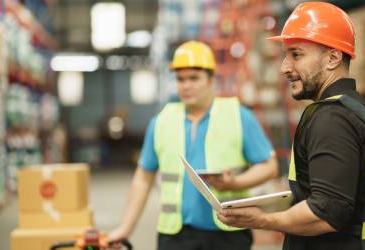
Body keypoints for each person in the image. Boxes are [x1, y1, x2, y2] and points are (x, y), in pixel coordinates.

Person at [217, 2, 365, 250]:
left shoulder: (333, 118)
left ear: (333, 58)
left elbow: (327, 212)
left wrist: (262, 219)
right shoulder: (363, 111)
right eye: (285, 55)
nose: (284, 67)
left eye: (296, 54)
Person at [108, 41, 279, 250]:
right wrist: (126, 228)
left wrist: (235, 183)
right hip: (175, 236)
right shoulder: (161, 121)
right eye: (180, 79)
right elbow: (143, 179)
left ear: (210, 79)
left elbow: (269, 167)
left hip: (228, 231)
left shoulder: (238, 115)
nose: (186, 85)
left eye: (193, 78)